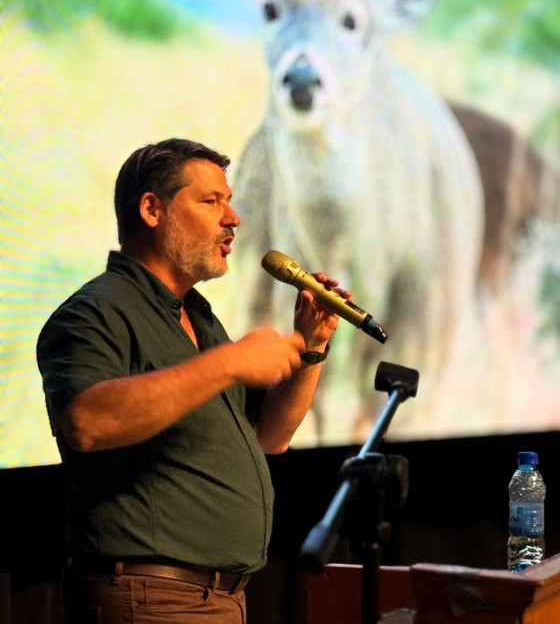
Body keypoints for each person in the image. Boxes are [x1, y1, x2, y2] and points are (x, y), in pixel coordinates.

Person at [36, 137, 346, 623]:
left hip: (220, 598)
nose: (233, 218)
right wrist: (230, 362)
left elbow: (270, 436)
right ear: (151, 210)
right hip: (151, 597)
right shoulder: (95, 312)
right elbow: (88, 422)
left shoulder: (199, 319)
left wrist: (312, 345)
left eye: (229, 201)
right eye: (211, 201)